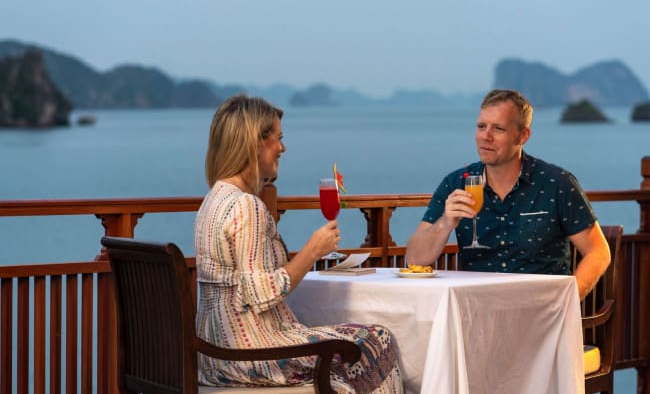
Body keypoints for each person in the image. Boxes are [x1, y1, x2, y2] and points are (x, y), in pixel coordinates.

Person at [195, 94, 403, 393]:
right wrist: (313, 250)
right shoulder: (246, 206)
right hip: (253, 354)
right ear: (254, 143)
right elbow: (262, 293)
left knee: (352, 344)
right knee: (377, 340)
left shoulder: (213, 200)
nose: (283, 148)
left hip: (215, 354)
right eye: (278, 139)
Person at [406, 89, 610, 300]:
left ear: (523, 135)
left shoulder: (556, 183)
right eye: (481, 126)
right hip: (476, 311)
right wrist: (445, 223)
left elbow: (598, 252)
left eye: (499, 128)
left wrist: (567, 302)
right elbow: (415, 259)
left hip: (539, 312)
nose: (486, 136)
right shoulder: (456, 183)